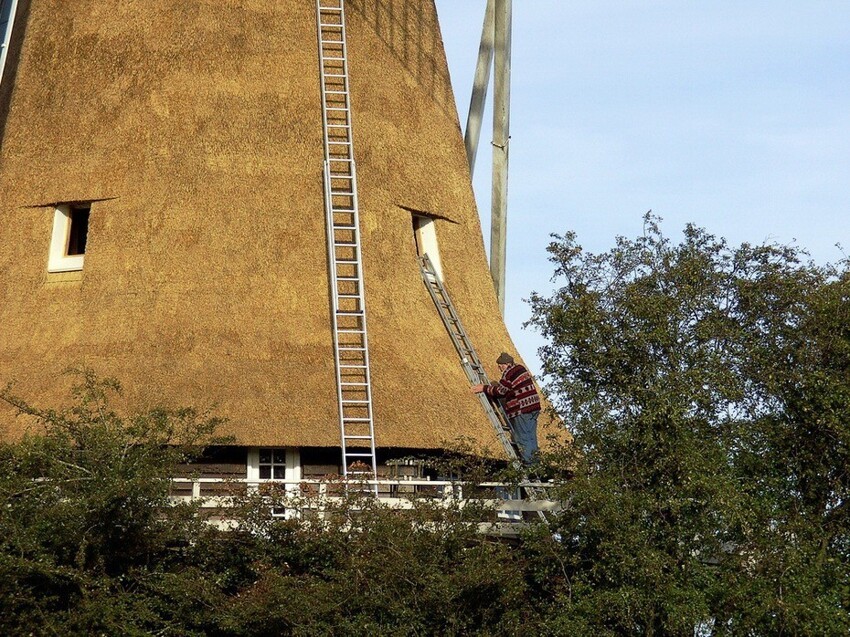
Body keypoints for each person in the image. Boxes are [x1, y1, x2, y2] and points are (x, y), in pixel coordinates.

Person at [471, 352, 540, 465]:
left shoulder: (509, 373)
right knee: (531, 437)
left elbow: (501, 391)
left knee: (522, 438)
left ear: (507, 363)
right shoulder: (521, 368)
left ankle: (530, 466)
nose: (499, 368)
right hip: (533, 407)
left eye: (501, 365)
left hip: (521, 409)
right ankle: (537, 465)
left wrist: (484, 388)